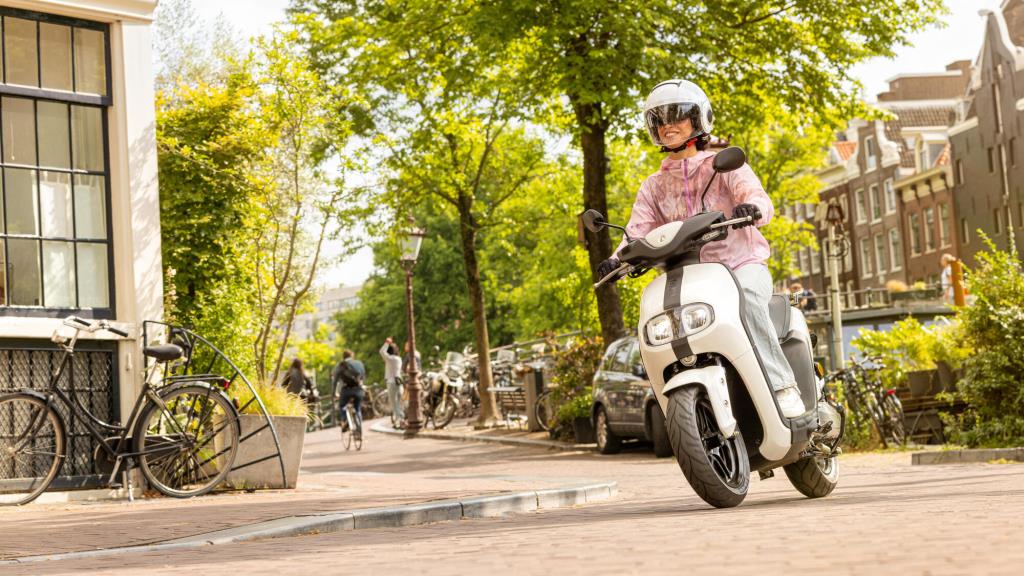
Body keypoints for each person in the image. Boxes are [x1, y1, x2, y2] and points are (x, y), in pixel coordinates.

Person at [596, 79, 805, 418]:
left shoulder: (723, 165)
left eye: (676, 116)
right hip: (690, 278)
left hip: (740, 265)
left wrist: (750, 208)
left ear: (697, 119)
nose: (667, 126)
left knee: (747, 298)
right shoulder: (653, 186)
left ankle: (783, 386)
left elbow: (756, 197)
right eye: (659, 120)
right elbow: (636, 231)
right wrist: (615, 260)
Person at [332, 350, 366, 431]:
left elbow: (335, 381)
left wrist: (334, 393)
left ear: (343, 357)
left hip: (346, 390)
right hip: (358, 389)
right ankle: (359, 429)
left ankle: (345, 420)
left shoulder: (340, 365)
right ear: (352, 356)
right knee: (357, 408)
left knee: (342, 405)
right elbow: (363, 376)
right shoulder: (359, 363)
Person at [380, 337, 405, 426]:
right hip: (399, 382)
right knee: (399, 403)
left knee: (394, 404)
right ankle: (399, 420)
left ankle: (401, 420)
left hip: (392, 383)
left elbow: (382, 351)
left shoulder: (390, 359)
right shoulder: (399, 359)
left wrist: (387, 343)